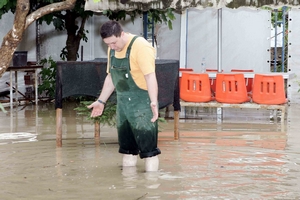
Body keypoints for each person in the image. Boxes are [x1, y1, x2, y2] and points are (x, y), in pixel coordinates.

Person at [88, 20, 161, 172]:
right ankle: (129, 188)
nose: (111, 47)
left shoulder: (141, 47)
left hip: (142, 104)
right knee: (127, 150)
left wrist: (154, 102)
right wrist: (101, 101)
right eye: (108, 44)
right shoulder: (112, 49)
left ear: (121, 34)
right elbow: (111, 77)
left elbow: (150, 76)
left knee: (149, 152)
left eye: (113, 43)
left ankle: (152, 188)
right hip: (123, 107)